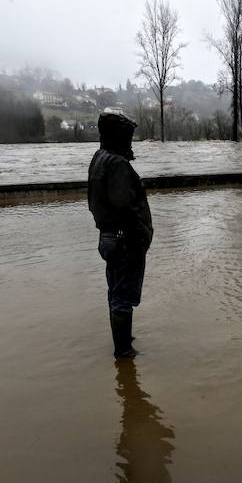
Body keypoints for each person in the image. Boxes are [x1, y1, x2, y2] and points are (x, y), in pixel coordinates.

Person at [88, 109, 153, 358]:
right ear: (119, 136)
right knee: (122, 294)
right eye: (128, 135)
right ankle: (124, 351)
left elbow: (98, 202)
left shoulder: (99, 157)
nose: (130, 141)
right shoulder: (117, 165)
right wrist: (142, 234)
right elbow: (125, 207)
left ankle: (123, 338)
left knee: (115, 290)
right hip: (122, 239)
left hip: (109, 237)